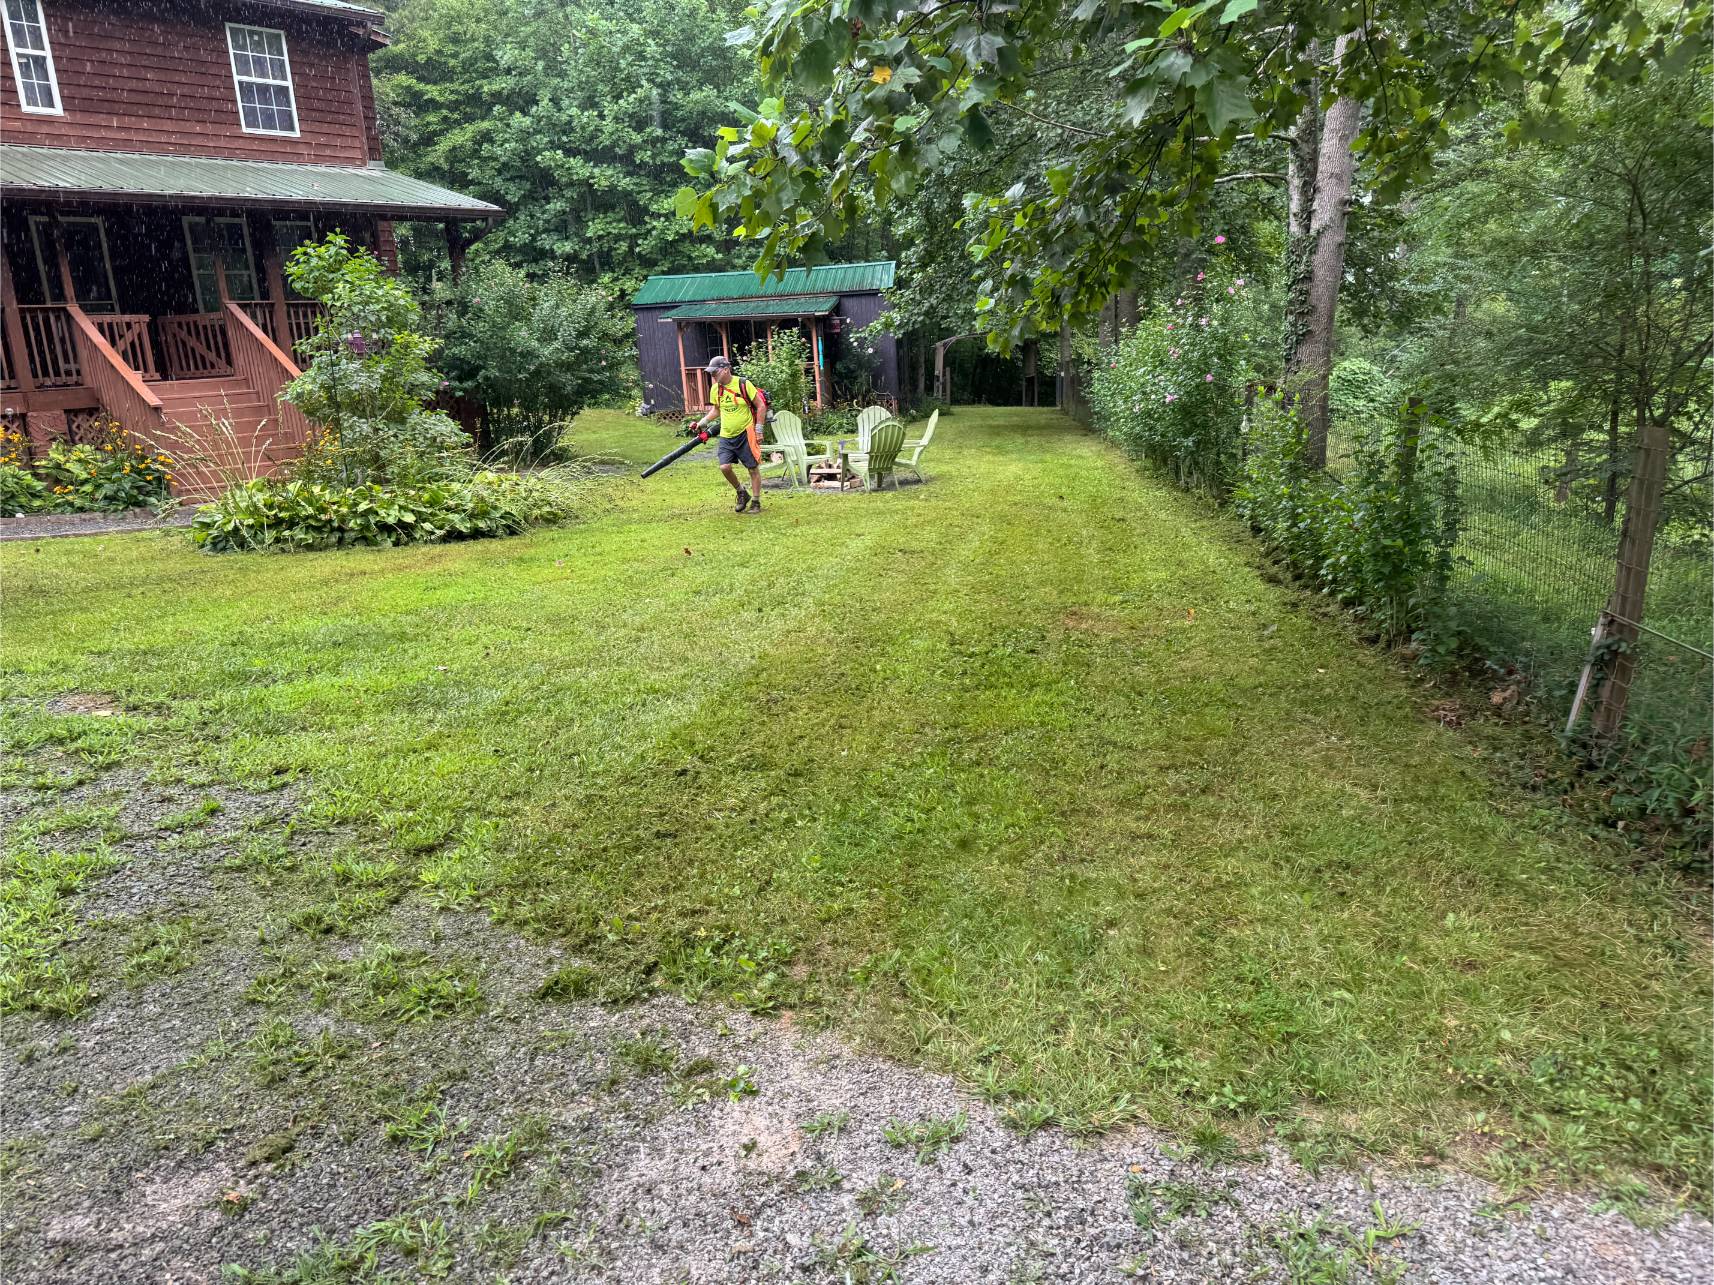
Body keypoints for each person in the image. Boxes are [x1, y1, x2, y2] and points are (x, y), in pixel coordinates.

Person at [691, 356, 768, 514]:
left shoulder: (743, 384)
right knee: (724, 467)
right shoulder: (715, 389)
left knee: (752, 468)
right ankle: (741, 492)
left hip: (746, 433)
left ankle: (755, 501)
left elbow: (760, 406)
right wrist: (701, 423)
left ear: (726, 369)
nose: (712, 376)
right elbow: (716, 410)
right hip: (726, 435)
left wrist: (759, 430)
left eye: (715, 372)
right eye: (711, 373)